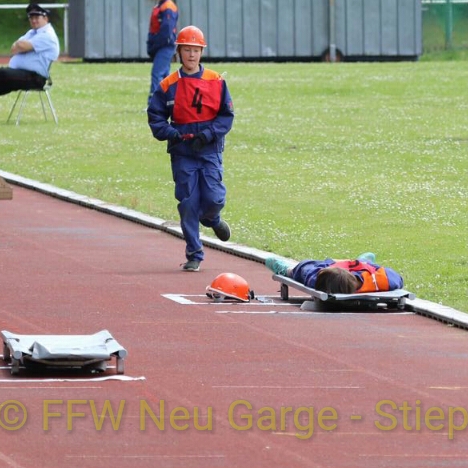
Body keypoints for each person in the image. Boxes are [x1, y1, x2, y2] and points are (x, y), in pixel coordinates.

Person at [147, 26, 233, 272]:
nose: (192, 55)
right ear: (179, 52)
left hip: (209, 149)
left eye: (196, 50)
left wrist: (208, 134)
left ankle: (212, 219)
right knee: (188, 202)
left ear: (201, 52)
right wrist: (171, 133)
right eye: (187, 50)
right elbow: (155, 117)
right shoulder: (168, 85)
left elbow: (227, 116)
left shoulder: (216, 81)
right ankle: (194, 253)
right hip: (182, 151)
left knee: (214, 198)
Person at [265, 252, 405, 294]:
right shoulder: (315, 275)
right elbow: (398, 279)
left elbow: (306, 268)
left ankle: (287, 271)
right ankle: (288, 270)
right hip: (331, 266)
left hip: (360, 268)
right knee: (301, 269)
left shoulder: (314, 279)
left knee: (302, 270)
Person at [146, 0, 178, 97]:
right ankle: (169, 102)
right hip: (161, 45)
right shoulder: (159, 6)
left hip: (165, 45)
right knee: (164, 75)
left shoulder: (168, 7)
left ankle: (153, 104)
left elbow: (166, 31)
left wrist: (155, 45)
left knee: (157, 74)